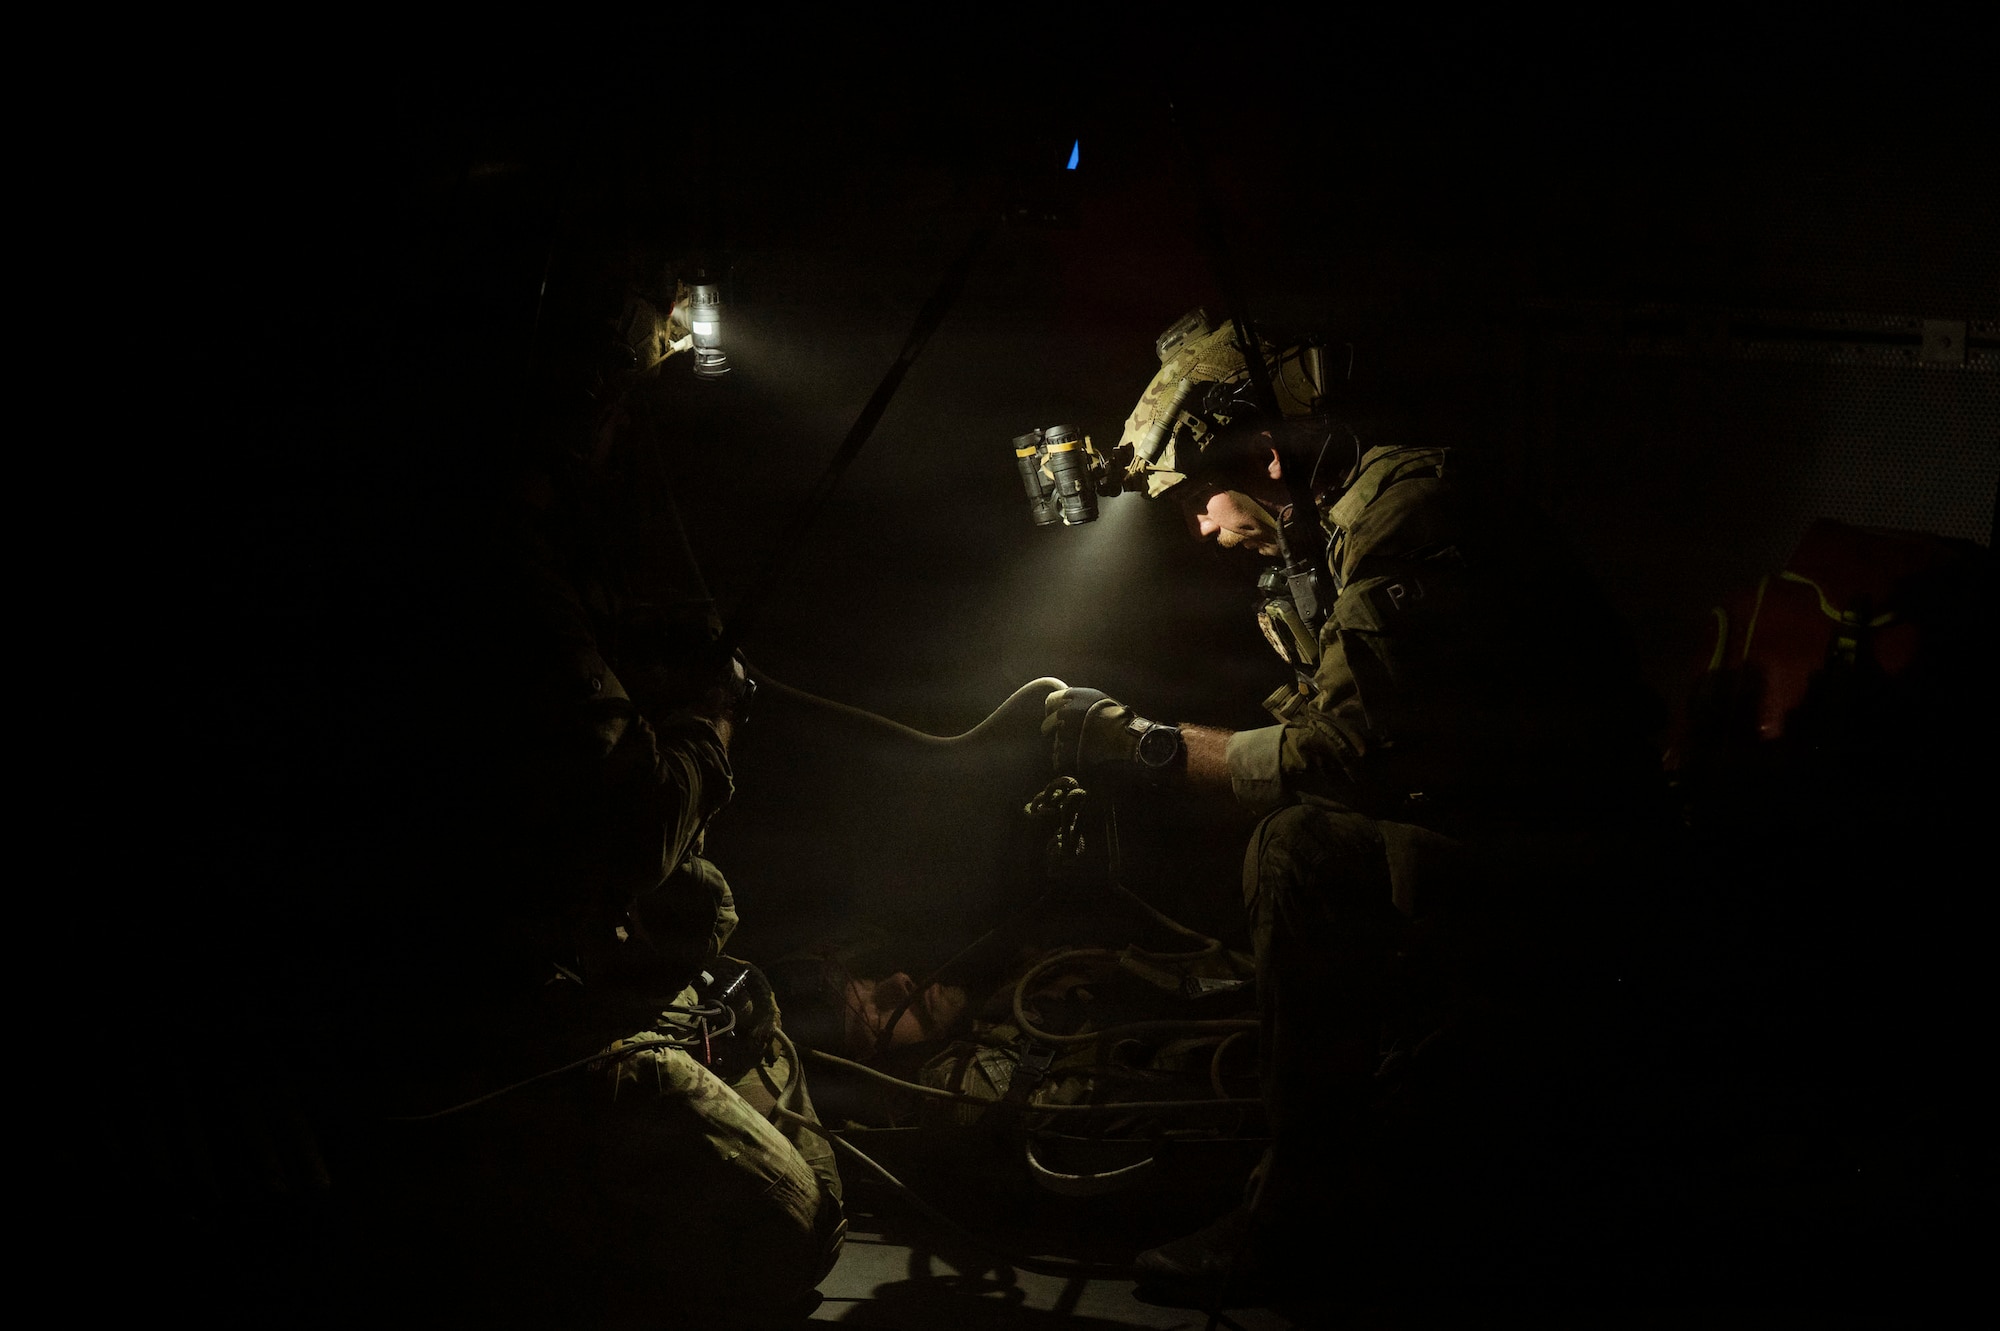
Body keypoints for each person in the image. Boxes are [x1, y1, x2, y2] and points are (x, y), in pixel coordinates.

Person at [1040, 310, 1662, 1293]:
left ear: (1270, 464)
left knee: (1297, 848)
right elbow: (1323, 714)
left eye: (1201, 497)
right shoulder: (1330, 534)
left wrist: (1142, 747)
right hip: (1494, 818)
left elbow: (1340, 752)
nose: (1199, 525)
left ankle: (1294, 1218)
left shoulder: (1406, 515)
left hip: (1558, 840)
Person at [337, 278, 845, 1329]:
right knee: (785, 1230)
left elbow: (579, 632)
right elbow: (630, 824)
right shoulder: (498, 580)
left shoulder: (494, 554)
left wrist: (657, 632)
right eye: (610, 409)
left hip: (523, 954)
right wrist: (707, 719)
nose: (619, 435)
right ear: (562, 419)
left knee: (715, 931)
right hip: (489, 1011)